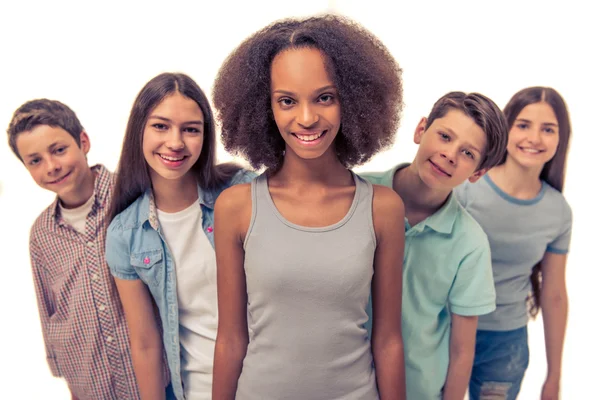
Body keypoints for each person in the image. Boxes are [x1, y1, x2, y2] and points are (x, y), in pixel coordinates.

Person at [211, 14, 406, 400]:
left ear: (352, 100)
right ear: (264, 108)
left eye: (324, 97)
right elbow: (231, 339)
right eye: (287, 101)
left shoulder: (382, 208)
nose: (306, 118)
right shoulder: (236, 207)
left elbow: (388, 341)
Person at [105, 72, 254, 400]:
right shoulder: (125, 234)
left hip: (269, 382)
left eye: (190, 129)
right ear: (138, 131)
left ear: (205, 137)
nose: (175, 142)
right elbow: (144, 343)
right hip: (198, 390)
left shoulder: (242, 190)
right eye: (160, 126)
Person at [361, 91, 508, 400]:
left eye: (468, 154)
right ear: (421, 129)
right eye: (444, 136)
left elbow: (462, 349)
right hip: (340, 384)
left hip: (417, 391)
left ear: (478, 174)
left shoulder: (470, 243)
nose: (450, 154)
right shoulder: (356, 195)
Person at [7, 99, 140, 399]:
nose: (51, 167)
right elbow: (49, 311)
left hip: (151, 379)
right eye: (35, 160)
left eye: (58, 150)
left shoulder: (132, 196)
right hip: (90, 384)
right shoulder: (42, 234)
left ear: (83, 141)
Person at [455, 87, 573, 400]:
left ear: (561, 139)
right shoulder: (466, 187)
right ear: (506, 127)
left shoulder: (558, 212)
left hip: (506, 342)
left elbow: (555, 294)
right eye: (523, 125)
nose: (534, 138)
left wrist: (554, 377)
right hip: (446, 328)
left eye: (548, 129)